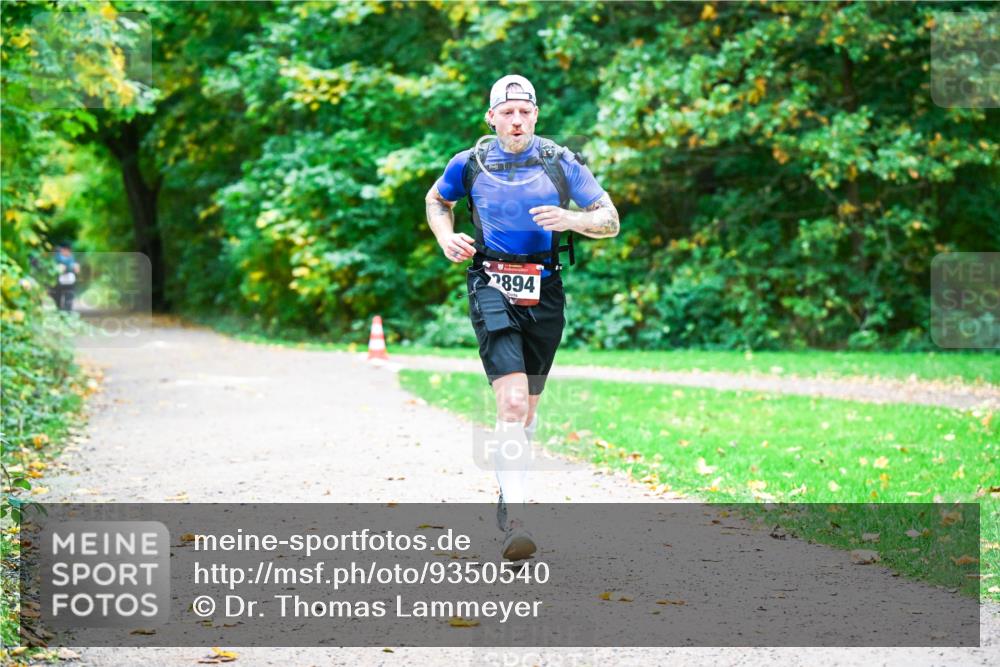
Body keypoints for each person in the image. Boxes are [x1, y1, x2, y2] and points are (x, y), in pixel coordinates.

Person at [425, 74, 620, 560]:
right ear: (491, 117)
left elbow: (610, 219)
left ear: (536, 115)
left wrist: (571, 219)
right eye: (507, 112)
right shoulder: (468, 164)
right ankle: (516, 519)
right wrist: (445, 237)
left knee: (528, 410)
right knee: (511, 404)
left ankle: (506, 491)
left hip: (545, 289)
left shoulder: (559, 162)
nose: (516, 120)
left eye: (524, 112)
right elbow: (437, 200)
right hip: (490, 282)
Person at [52, 243, 80, 312]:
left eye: (68, 250)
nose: (66, 251)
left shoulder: (72, 258)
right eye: (64, 250)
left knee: (69, 298)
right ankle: (60, 310)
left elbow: (77, 269)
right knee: (58, 298)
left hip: (70, 281)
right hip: (58, 282)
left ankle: (67, 313)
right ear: (62, 250)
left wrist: (76, 268)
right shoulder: (56, 258)